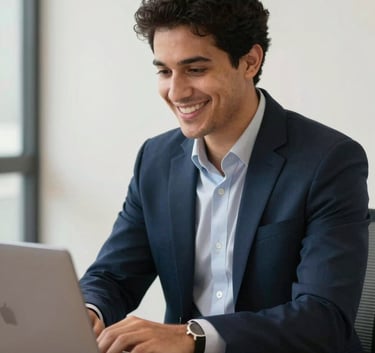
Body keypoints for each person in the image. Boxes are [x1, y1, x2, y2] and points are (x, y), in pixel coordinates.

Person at [79, 1, 370, 352]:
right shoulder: (156, 160)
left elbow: (323, 319)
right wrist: (88, 310)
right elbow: (112, 276)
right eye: (164, 72)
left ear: (250, 61)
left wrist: (194, 336)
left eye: (195, 69)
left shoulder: (329, 161)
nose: (176, 91)